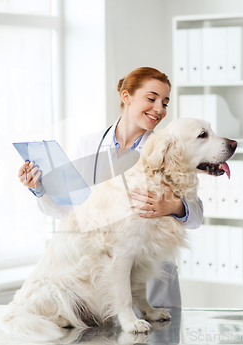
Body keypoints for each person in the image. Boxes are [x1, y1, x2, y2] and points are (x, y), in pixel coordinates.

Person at [17, 67, 204, 308]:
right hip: (101, 279)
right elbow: (75, 213)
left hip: (152, 279)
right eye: (151, 98)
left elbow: (196, 215)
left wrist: (175, 206)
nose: (159, 109)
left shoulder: (169, 148)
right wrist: (40, 188)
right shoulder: (89, 145)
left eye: (165, 102)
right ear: (126, 97)